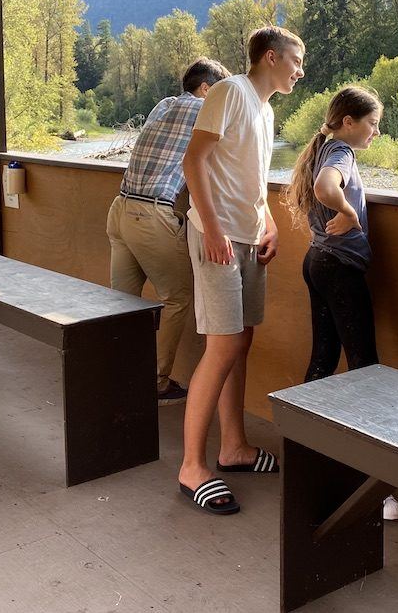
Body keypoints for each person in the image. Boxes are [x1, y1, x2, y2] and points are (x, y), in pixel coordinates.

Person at [177, 26, 304, 515]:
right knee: (224, 342)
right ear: (270, 56)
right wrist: (211, 228)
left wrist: (269, 221)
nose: (300, 70)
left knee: (242, 338)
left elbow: (246, 178)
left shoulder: (266, 109)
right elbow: (195, 161)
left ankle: (233, 447)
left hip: (247, 236)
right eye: (296, 60)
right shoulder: (230, 92)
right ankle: (192, 467)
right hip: (219, 236)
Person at [283, 86, 398, 521]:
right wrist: (350, 214)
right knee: (365, 369)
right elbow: (324, 187)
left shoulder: (323, 147)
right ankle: (368, 483)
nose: (375, 132)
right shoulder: (341, 155)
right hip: (338, 268)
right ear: (349, 121)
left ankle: (306, 458)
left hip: (317, 260)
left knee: (322, 361)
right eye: (372, 123)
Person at [106, 57, 231, 405]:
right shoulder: (201, 112)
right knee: (177, 298)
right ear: (206, 89)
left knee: (122, 304)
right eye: (220, 93)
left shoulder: (164, 106)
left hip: (120, 209)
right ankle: (156, 382)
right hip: (151, 215)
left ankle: (119, 375)